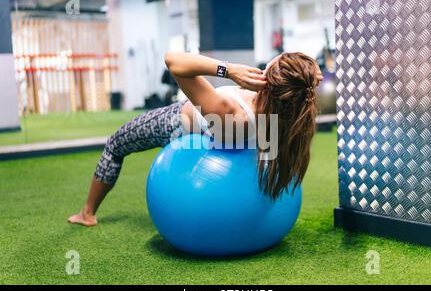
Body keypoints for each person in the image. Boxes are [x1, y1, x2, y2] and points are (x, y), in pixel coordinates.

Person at [68, 52, 323, 226]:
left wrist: (229, 70)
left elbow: (173, 61)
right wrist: (308, 74)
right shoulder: (284, 115)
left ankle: (87, 213)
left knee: (115, 144)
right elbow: (299, 83)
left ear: (268, 79)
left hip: (177, 124)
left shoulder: (229, 111)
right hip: (216, 131)